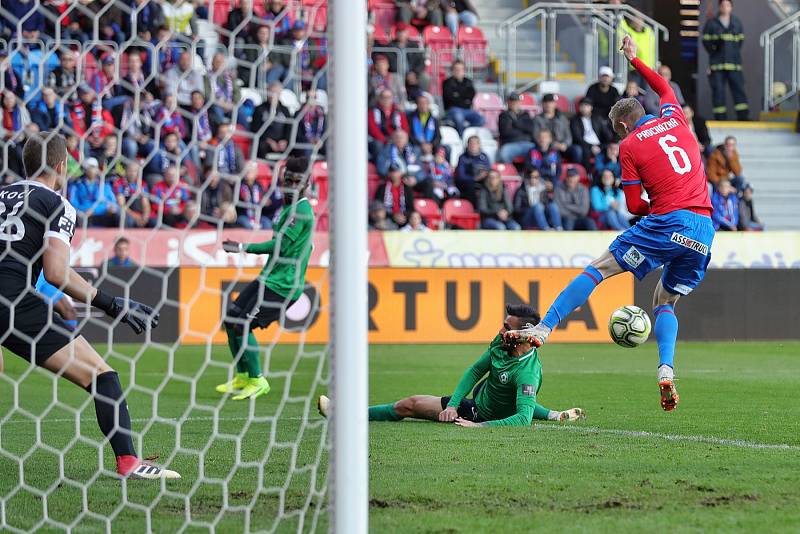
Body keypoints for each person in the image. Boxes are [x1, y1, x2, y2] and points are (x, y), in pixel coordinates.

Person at [505, 37, 715, 412]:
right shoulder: (675, 117)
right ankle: (665, 369)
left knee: (599, 268)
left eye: (617, 131)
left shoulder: (631, 146)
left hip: (667, 222)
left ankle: (544, 327)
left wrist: (656, 197)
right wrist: (635, 60)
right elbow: (664, 87)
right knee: (664, 300)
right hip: (703, 229)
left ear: (621, 124)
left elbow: (634, 204)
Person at [0, 132, 177, 479]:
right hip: (11, 301)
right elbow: (55, 271)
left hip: (14, 294)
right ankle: (129, 462)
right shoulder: (56, 204)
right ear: (63, 165)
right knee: (102, 376)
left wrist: (58, 300)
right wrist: (112, 305)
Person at [318, 305, 585, 426]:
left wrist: (477, 426)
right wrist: (454, 402)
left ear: (523, 334)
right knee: (502, 390)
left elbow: (523, 419)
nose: (500, 330)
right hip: (484, 393)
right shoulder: (500, 343)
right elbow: (475, 371)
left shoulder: (528, 373)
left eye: (507, 327)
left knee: (408, 404)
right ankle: (552, 415)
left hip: (481, 413)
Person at [218, 157, 314, 400]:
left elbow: (280, 246)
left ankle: (258, 380)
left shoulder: (302, 211)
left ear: (306, 183)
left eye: (296, 180)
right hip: (268, 278)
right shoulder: (289, 208)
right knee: (231, 320)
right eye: (288, 179)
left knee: (242, 325)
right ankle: (242, 375)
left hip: (282, 286)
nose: (291, 184)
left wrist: (243, 247)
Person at [702, 0, 748, 120]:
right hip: (717, 65)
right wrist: (715, 50)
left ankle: (743, 117)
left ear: (731, 7)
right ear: (720, 7)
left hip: (734, 65)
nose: (725, 7)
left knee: (739, 91)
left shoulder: (736, 22)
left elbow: (740, 42)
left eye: (727, 5)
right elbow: (706, 42)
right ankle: (720, 118)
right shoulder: (711, 23)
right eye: (723, 5)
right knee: (718, 92)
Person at [68, 158, 120, 227]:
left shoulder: (104, 185)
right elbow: (73, 205)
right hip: (85, 216)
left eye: (94, 167)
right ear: (85, 170)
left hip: (103, 215)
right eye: (90, 167)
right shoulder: (77, 185)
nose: (92, 170)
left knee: (117, 214)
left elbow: (112, 203)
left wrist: (95, 210)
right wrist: (84, 210)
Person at [569, 97, 614, 171]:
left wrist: (612, 143)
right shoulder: (575, 120)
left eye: (586, 106)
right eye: (582, 106)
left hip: (599, 144)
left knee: (612, 149)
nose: (584, 108)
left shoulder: (597, 118)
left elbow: (606, 134)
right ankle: (588, 173)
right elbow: (578, 138)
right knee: (585, 151)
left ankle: (610, 172)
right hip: (585, 145)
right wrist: (591, 147)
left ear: (591, 107)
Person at [441, 61, 484, 135]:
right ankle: (461, 137)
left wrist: (458, 95)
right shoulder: (447, 82)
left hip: (467, 110)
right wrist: (464, 99)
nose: (458, 71)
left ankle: (465, 131)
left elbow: (471, 96)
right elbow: (450, 98)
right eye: (456, 69)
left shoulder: (468, 82)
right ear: (452, 70)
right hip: (452, 110)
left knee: (481, 119)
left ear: (464, 71)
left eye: (461, 69)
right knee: (459, 117)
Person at [368, 89, 409, 161]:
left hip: (396, 138)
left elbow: (404, 128)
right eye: (384, 97)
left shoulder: (398, 111)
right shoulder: (372, 111)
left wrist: (398, 139)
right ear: (379, 99)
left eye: (389, 97)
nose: (386, 100)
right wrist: (385, 140)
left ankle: (403, 167)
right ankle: (383, 167)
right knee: (378, 145)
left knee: (409, 146)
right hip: (381, 139)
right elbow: (373, 129)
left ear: (392, 98)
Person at [497, 92, 536, 163]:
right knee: (504, 154)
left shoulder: (525, 114)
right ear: (508, 102)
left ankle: (532, 172)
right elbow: (505, 132)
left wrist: (516, 124)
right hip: (510, 144)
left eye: (516, 101)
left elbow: (531, 128)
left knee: (537, 153)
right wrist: (523, 130)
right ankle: (511, 172)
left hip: (527, 143)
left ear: (519, 102)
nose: (514, 103)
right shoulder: (503, 115)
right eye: (512, 101)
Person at [533, 94, 574, 162]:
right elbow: (536, 136)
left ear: (555, 104)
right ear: (542, 104)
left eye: (551, 102)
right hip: (547, 146)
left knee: (576, 150)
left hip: (563, 146)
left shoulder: (562, 118)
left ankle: (573, 170)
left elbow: (568, 135)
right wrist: (552, 144)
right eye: (546, 102)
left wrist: (565, 144)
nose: (548, 105)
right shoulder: (537, 119)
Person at [113, 161, 152, 228]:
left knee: (153, 221)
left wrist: (145, 216)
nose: (132, 173)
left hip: (139, 212)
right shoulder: (119, 183)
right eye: (130, 170)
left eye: (135, 171)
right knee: (126, 218)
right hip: (128, 213)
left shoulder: (142, 184)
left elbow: (146, 203)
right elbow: (121, 205)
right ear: (125, 171)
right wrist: (135, 217)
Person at [455, 135, 490, 206]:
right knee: (470, 186)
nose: (473, 146)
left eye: (475, 143)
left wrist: (484, 174)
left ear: (479, 145)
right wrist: (475, 178)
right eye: (471, 143)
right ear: (467, 145)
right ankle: (471, 208)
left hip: (482, 182)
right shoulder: (462, 158)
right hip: (467, 183)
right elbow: (461, 176)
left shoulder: (484, 157)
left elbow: (488, 171)